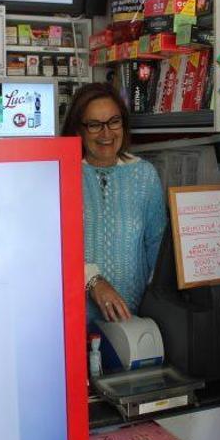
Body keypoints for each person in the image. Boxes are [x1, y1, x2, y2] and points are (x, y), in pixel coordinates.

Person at [61, 83, 167, 323]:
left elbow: (157, 244)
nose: (106, 133)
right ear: (79, 131)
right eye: (95, 125)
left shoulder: (144, 175)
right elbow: (52, 249)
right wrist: (92, 280)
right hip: (74, 319)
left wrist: (156, 309)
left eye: (114, 121)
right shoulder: (62, 174)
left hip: (132, 318)